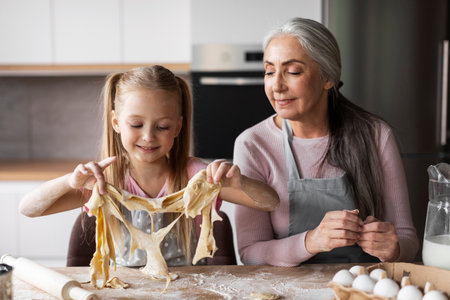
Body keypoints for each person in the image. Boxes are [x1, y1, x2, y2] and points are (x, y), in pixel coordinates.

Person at [19, 65, 279, 267]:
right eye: (136, 125)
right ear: (116, 123)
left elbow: (271, 202)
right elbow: (28, 209)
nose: (148, 137)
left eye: (162, 127)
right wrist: (69, 182)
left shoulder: (196, 177)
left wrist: (239, 182)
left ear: (177, 127)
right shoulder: (104, 181)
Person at [233, 18, 419, 266]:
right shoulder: (253, 144)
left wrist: (392, 249)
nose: (276, 85)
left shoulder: (376, 135)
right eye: (269, 71)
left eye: (293, 72)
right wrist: (311, 241)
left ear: (327, 78)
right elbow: (250, 254)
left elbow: (407, 240)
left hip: (361, 288)